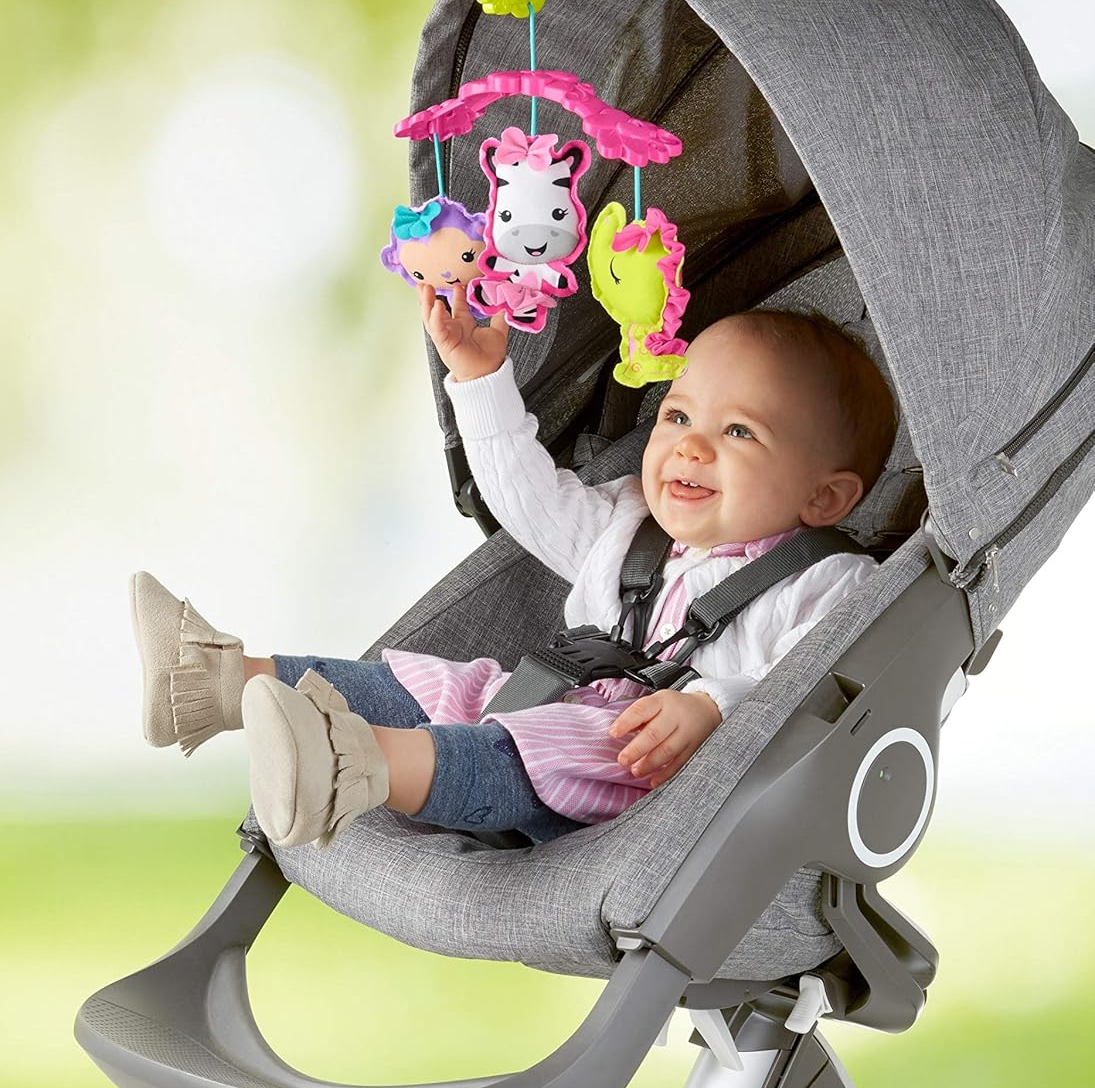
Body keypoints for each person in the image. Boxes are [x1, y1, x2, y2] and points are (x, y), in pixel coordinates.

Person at [131, 286, 896, 848]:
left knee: (537, 743)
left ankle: (346, 767)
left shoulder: (826, 584)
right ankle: (211, 683)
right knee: (437, 685)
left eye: (739, 431)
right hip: (551, 703)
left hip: (644, 776)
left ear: (824, 496)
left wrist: (714, 707)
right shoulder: (629, 526)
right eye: (677, 415)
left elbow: (819, 689)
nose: (691, 446)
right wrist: (478, 379)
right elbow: (526, 500)